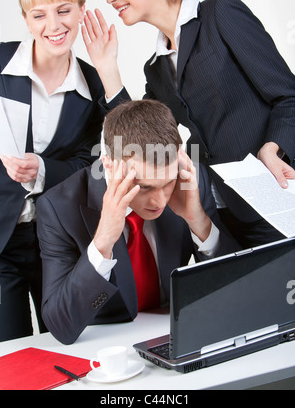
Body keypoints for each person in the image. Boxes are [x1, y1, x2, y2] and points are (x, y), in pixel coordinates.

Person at [86, 0, 295, 249]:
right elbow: (140, 137)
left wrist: (271, 147)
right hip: (218, 213)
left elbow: (288, 96)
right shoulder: (156, 68)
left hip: (272, 197)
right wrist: (107, 68)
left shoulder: (220, 14)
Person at [0, 0, 127, 343]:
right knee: (8, 356)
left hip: (57, 241)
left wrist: (107, 68)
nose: (53, 24)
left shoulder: (91, 80)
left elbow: (132, 146)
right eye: (39, 15)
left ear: (82, 10)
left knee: (71, 342)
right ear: (26, 19)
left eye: (64, 10)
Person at [37, 99, 240, 345]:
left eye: (168, 182)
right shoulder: (58, 208)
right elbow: (61, 325)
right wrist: (102, 242)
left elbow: (237, 288)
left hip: (176, 335)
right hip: (107, 347)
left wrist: (198, 220)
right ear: (110, 164)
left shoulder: (190, 181)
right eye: (144, 186)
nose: (159, 200)